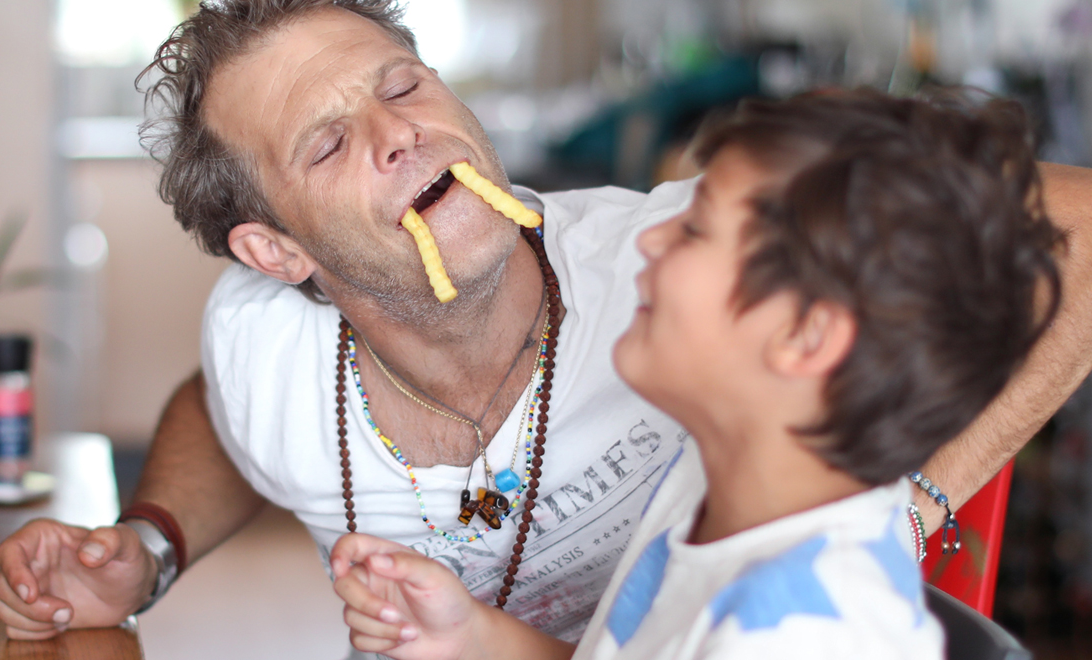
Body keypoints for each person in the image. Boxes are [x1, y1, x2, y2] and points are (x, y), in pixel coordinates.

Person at [0, 0, 1092, 648]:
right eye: (325, 145)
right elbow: (222, 410)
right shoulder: (259, 340)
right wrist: (145, 551)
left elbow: (1079, 224)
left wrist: (910, 498)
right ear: (278, 255)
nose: (400, 135)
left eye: (402, 85)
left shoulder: (685, 276)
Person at [330, 88, 1062, 660]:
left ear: (803, 335)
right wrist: (469, 636)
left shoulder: (804, 633)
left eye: (697, 226)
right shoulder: (717, 502)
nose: (649, 238)